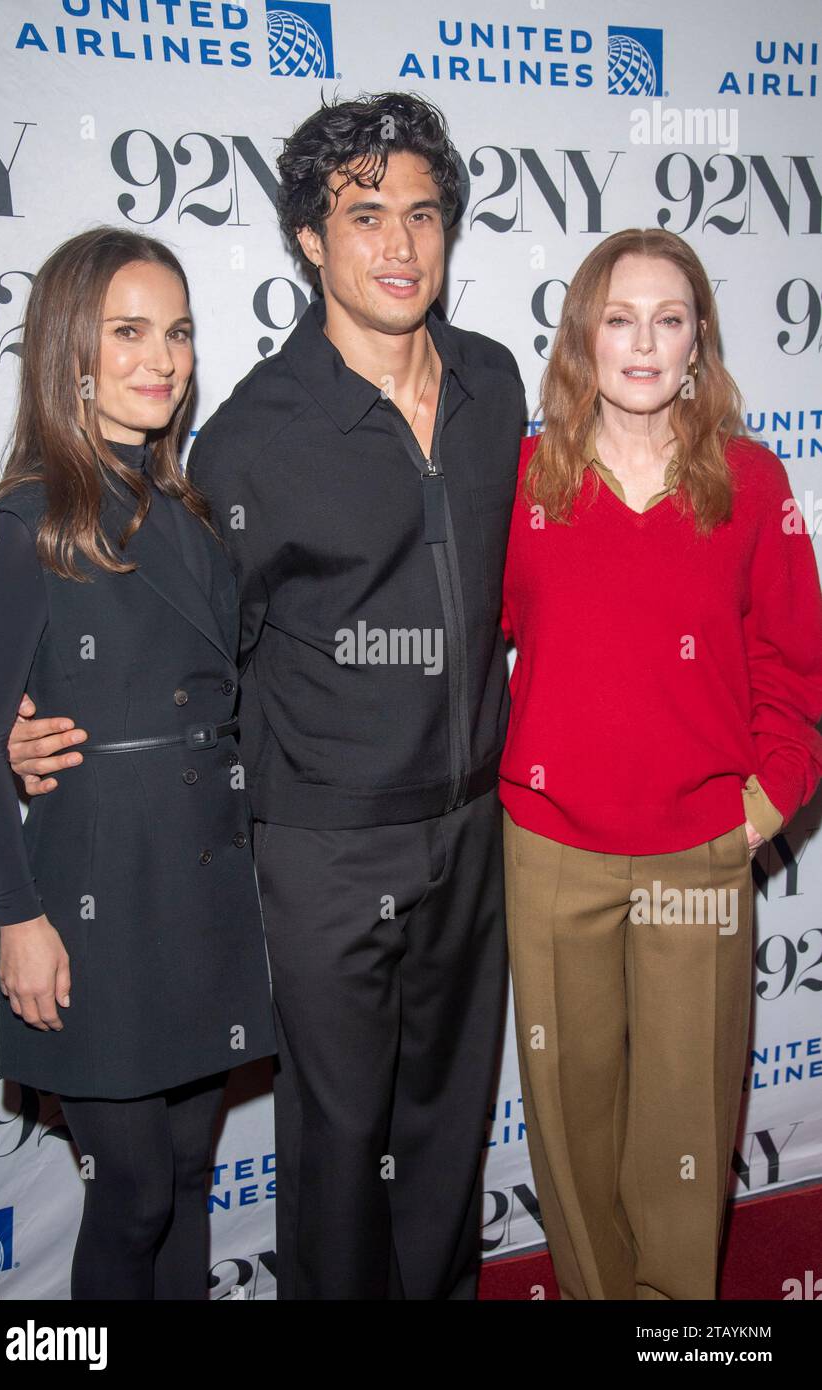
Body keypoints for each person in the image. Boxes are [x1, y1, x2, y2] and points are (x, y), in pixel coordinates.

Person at [5, 92, 527, 1300]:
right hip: (322, 851)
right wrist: (29, 740)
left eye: (421, 214)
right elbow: (180, 649)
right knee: (339, 1155)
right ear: (308, 239)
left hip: (473, 829)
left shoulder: (496, 387)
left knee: (447, 1138)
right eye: (362, 217)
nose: (397, 245)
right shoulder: (246, 442)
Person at [499, 227, 822, 1300]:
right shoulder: (520, 479)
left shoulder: (745, 477)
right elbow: (447, 643)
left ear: (698, 341)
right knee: (571, 1126)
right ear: (583, 336)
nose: (642, 343)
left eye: (668, 318)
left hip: (698, 856)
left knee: (685, 1129)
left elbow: (795, 666)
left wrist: (762, 802)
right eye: (619, 317)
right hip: (550, 852)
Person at [0, 227, 275, 1300]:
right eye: (128, 331)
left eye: (177, 332)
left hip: (200, 888)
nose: (162, 358)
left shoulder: (191, 514)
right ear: (69, 353)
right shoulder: (25, 517)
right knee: (133, 1186)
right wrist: (19, 918)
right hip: (92, 893)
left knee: (188, 1169)